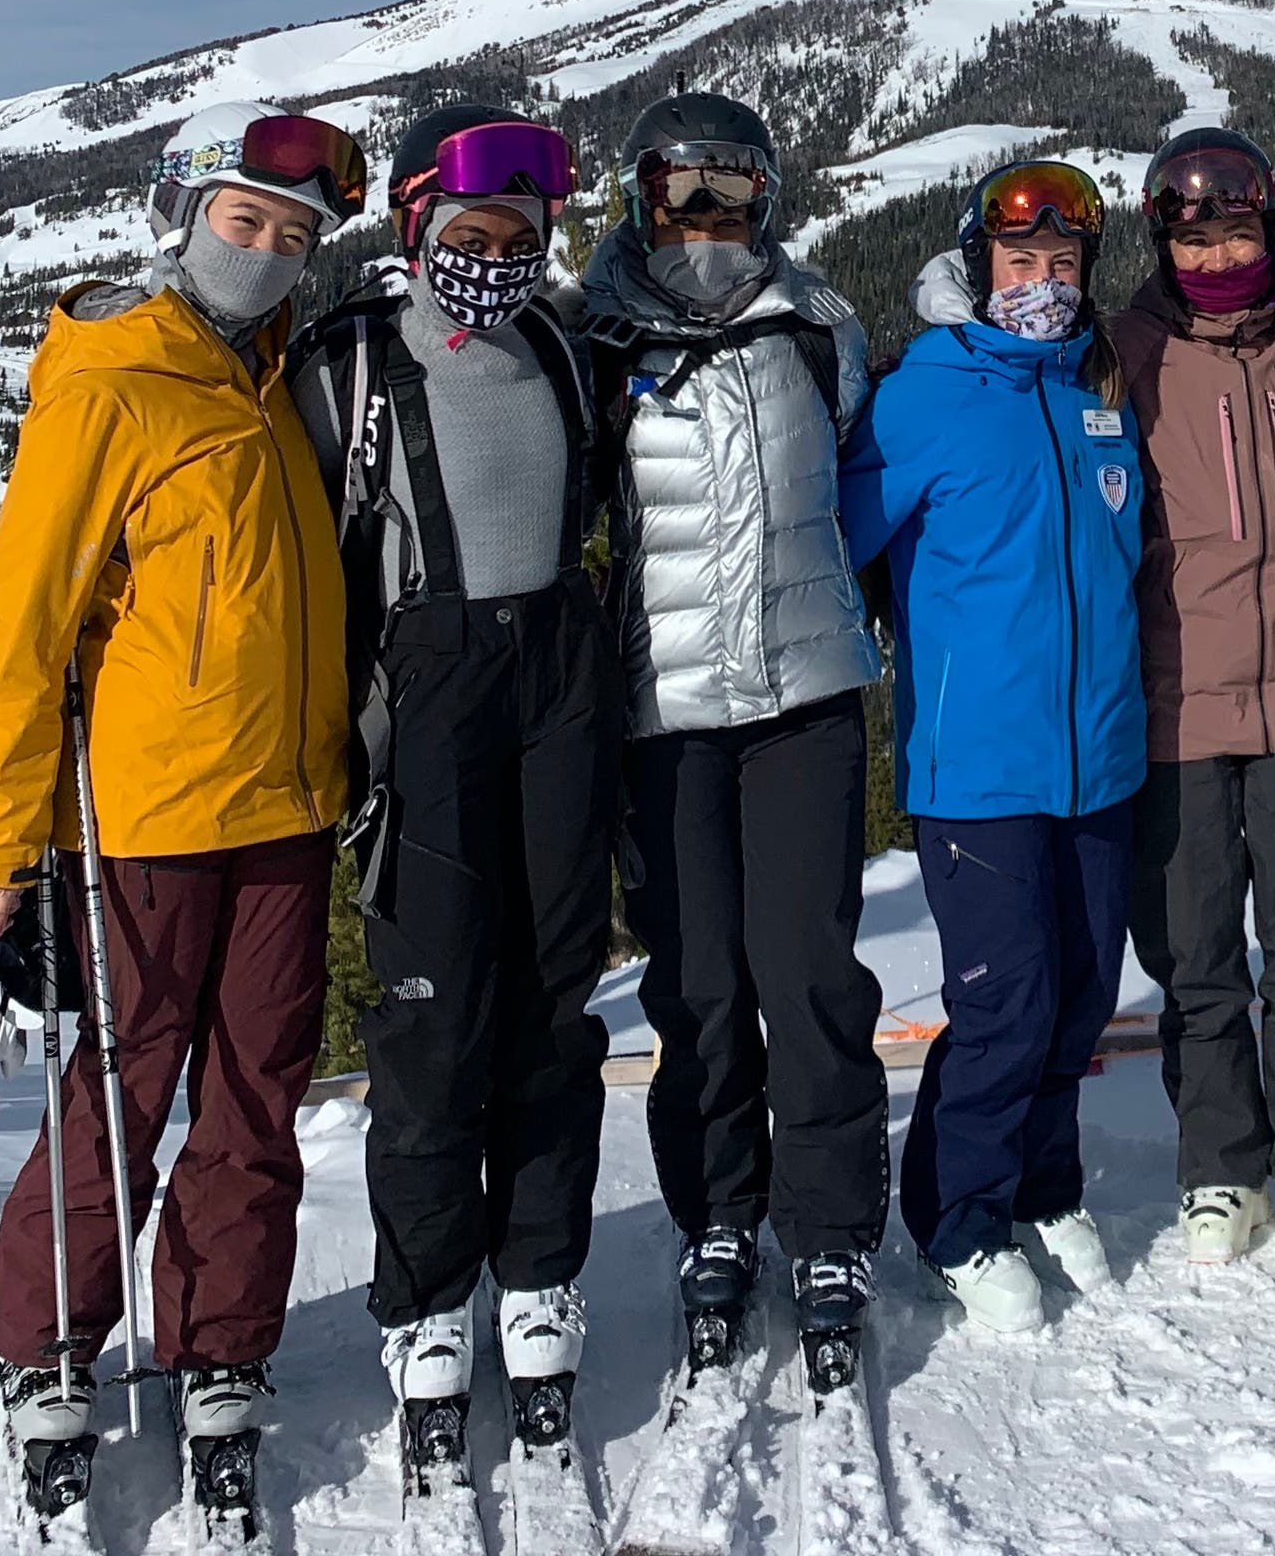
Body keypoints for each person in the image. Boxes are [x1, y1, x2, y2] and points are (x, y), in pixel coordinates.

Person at [0, 103, 361, 1520]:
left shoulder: (277, 378)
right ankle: (48, 1336)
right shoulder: (114, 378)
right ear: (181, 218)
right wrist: (1, 838)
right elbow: (24, 621)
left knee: (258, 1085)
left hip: (287, 808)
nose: (265, 253)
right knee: (127, 1081)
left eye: (293, 236)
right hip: (141, 813)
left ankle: (221, 1339)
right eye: (244, 224)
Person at [295, 104, 611, 1475]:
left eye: (520, 237)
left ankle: (538, 1272)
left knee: (551, 1003)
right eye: (470, 234)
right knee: (431, 1021)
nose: (494, 258)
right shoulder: (349, 364)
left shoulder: (559, 351)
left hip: (550, 686)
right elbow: (290, 554)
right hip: (418, 703)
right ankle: (427, 1299)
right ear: (416, 225)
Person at [568, 91, 889, 1393]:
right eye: (679, 192)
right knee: (696, 985)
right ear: (641, 199)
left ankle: (830, 1225)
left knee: (809, 972)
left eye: (731, 192)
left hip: (805, 702)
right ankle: (715, 1211)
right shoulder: (594, 342)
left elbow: (866, 493)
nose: (705, 217)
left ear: (770, 197)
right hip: (668, 715)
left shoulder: (819, 329)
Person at [839, 158, 1147, 1334]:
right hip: (978, 766)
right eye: (1022, 263)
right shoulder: (925, 395)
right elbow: (838, 530)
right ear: (978, 269)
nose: (1045, 285)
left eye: (1065, 265)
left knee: (1079, 994)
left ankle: (1043, 1186)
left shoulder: (1094, 392)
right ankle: (959, 1220)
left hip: (1101, 757)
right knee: (1004, 1002)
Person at [1104, 127, 1275, 1267]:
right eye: (1194, 236)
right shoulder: (1123, 355)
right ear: (1164, 239)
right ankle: (1221, 1166)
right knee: (1195, 956)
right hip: (1175, 700)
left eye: (1239, 230)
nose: (1218, 255)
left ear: (1272, 225)